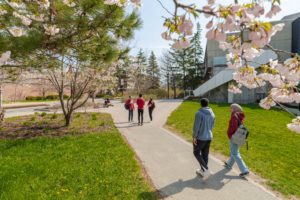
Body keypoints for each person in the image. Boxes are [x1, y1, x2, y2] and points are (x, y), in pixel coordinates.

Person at [224, 103, 249, 178]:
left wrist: (230, 134)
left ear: (234, 109)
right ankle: (229, 164)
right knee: (235, 151)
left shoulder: (234, 115)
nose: (230, 109)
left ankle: (245, 170)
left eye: (231, 108)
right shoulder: (239, 115)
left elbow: (233, 127)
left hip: (234, 136)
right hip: (239, 136)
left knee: (235, 153)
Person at [193, 98, 215, 180]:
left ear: (200, 104)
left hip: (201, 137)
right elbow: (213, 125)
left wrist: (194, 136)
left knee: (196, 152)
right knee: (205, 154)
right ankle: (203, 170)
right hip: (209, 136)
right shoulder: (212, 113)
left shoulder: (199, 113)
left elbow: (196, 127)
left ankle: (206, 170)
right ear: (208, 104)